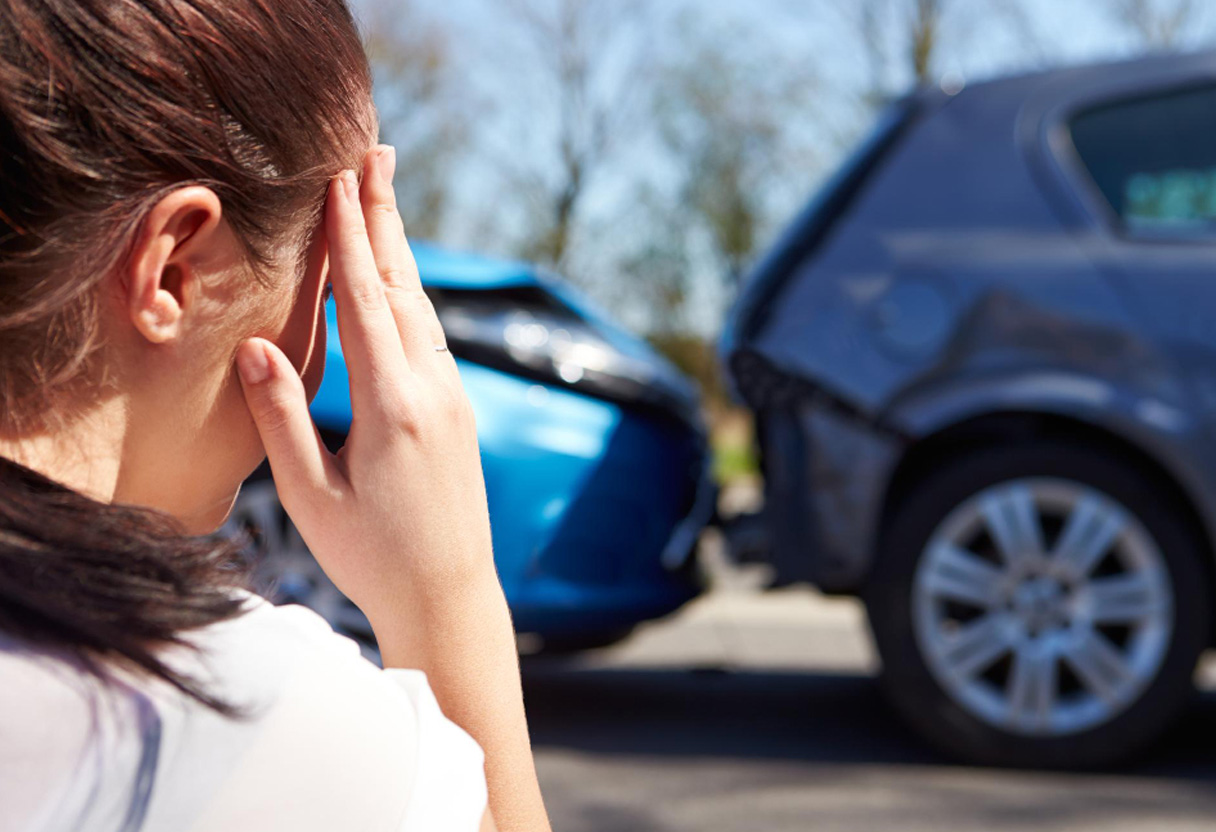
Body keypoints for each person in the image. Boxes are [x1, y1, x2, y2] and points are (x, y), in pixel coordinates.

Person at [0, 1, 550, 830]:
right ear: (176, 271)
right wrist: (449, 596)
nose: (321, 358)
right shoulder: (242, 719)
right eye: (327, 290)